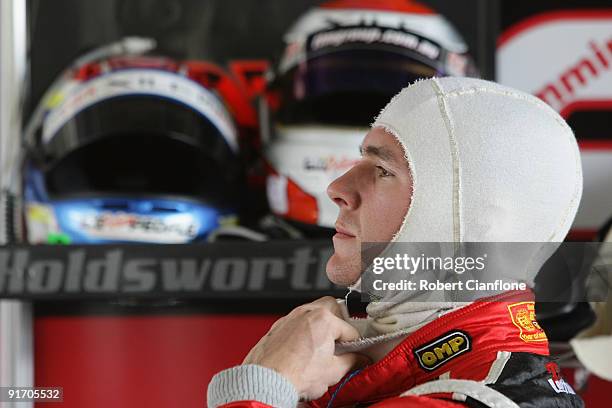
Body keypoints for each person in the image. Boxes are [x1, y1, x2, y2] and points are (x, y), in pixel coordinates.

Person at [207, 77, 585, 407]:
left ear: (474, 225)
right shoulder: (458, 378)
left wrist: (262, 386)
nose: (337, 188)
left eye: (382, 171)